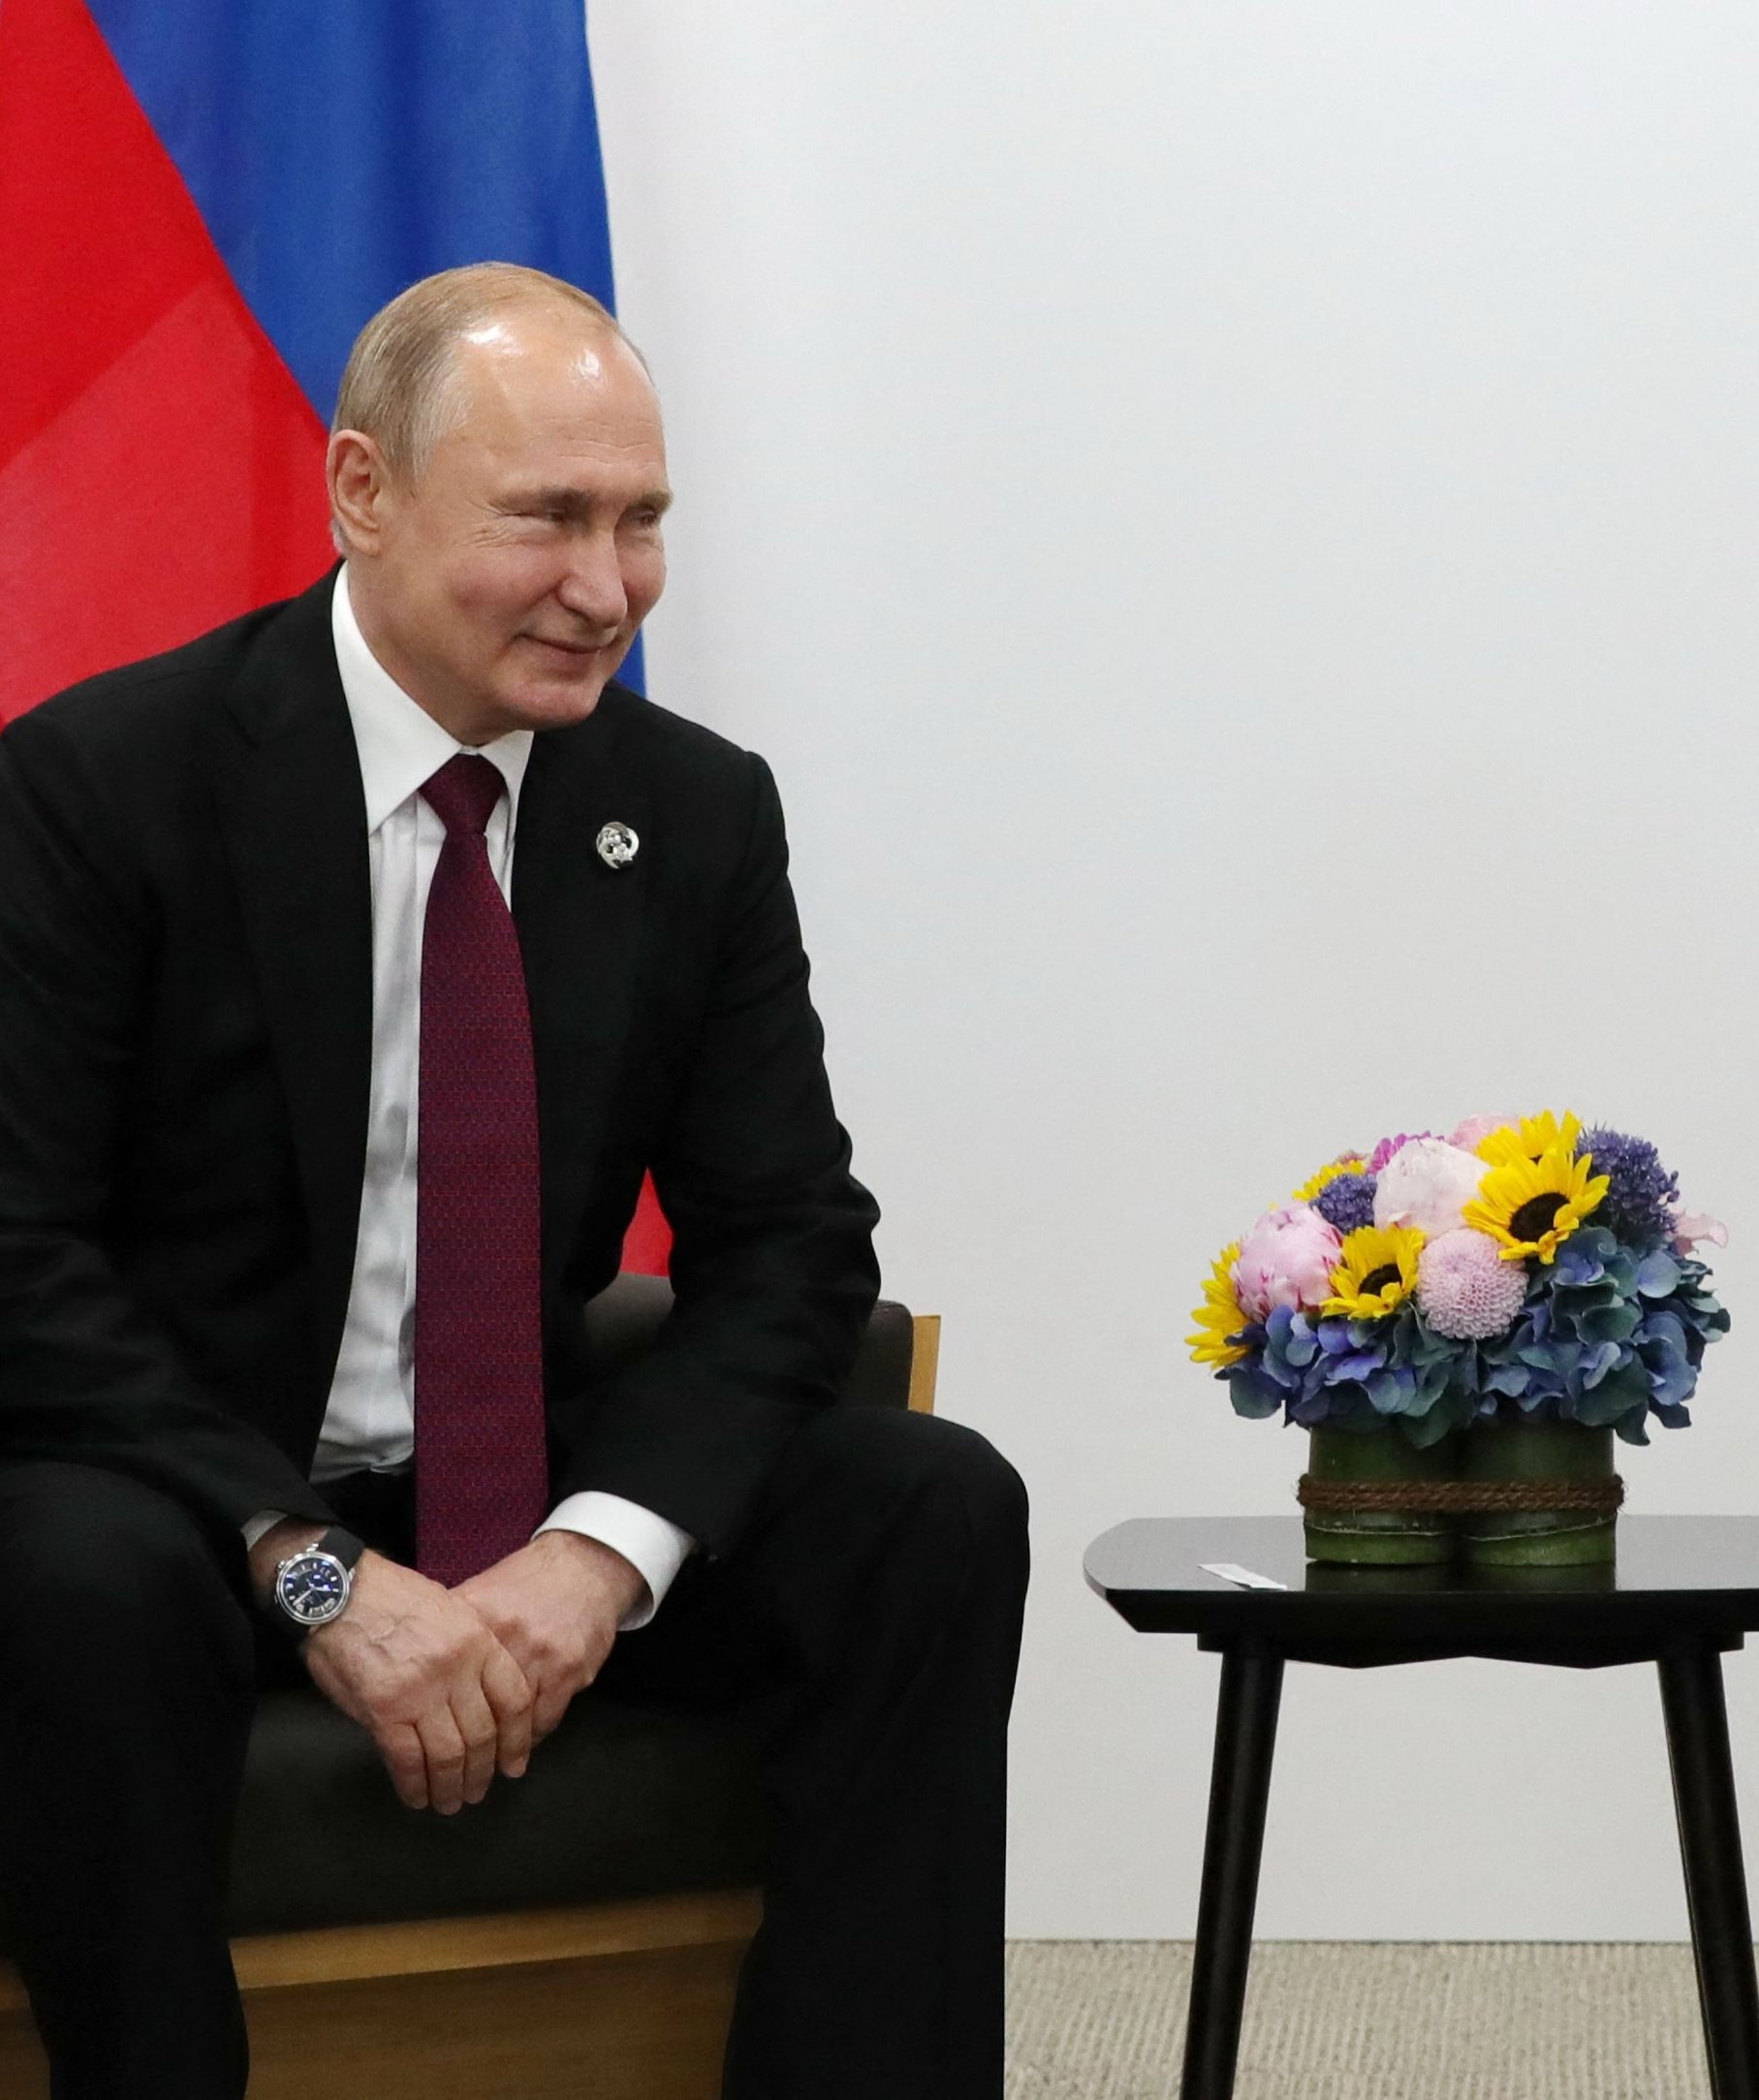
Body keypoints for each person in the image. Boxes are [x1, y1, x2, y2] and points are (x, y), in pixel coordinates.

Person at [0, 263, 1028, 2098]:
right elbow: (15, 1249)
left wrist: (597, 1556)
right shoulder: (103, 782)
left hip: (519, 1478)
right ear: (362, 493)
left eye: (641, 523)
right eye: (547, 516)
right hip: (196, 1504)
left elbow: (791, 1243)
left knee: (926, 1503)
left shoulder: (695, 811)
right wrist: (317, 1575)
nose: (605, 587)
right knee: (65, 1566)